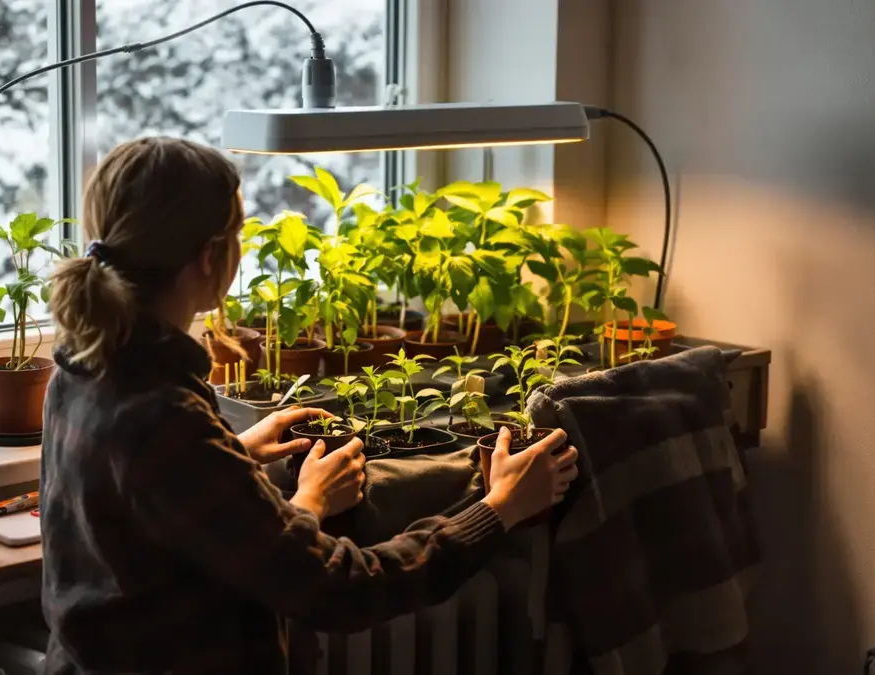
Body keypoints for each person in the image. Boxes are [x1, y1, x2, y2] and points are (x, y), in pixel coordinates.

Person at [41, 136, 579, 675]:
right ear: (208, 257)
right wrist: (501, 507)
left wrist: (233, 453)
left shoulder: (81, 370)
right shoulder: (165, 417)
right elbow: (342, 589)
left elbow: (147, 506)